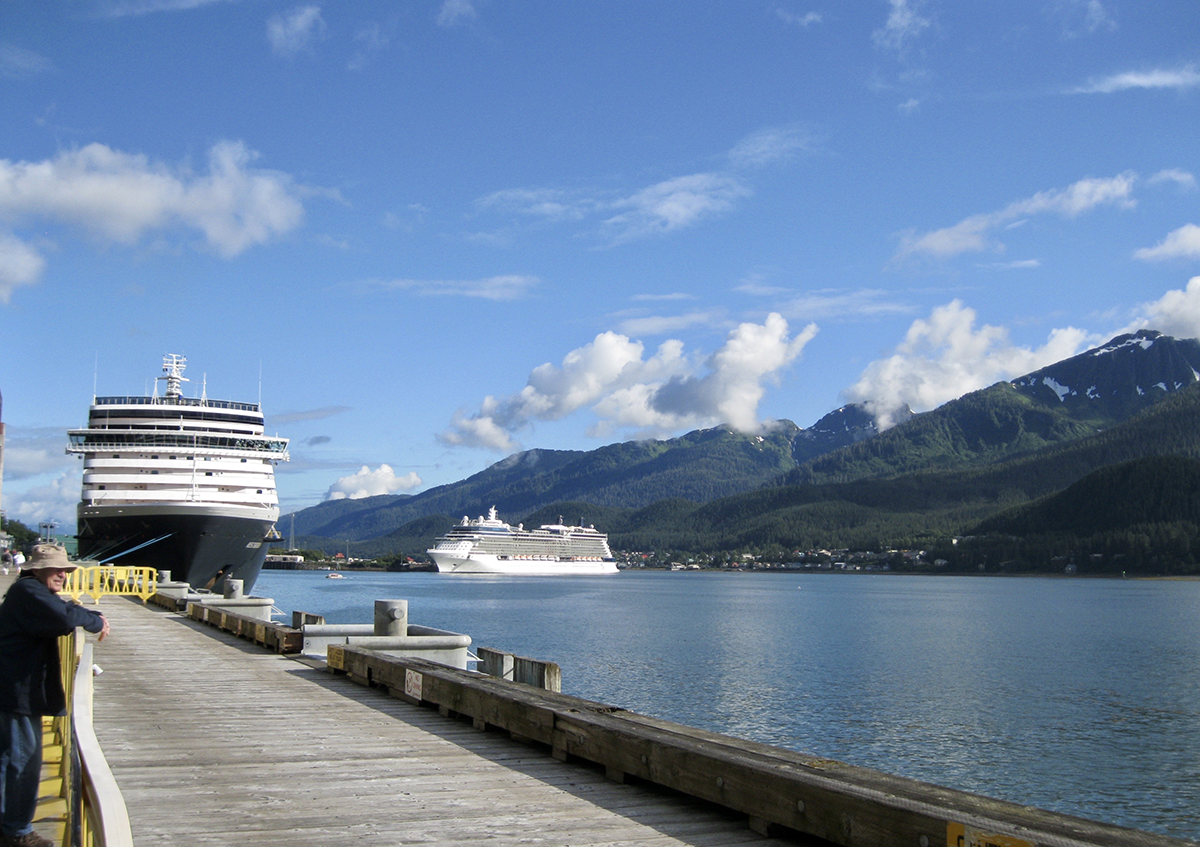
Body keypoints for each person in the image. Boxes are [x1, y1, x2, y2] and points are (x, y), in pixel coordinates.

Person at [0, 544, 108, 847]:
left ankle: (9, 825)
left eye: (66, 570)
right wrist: (96, 621)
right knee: (24, 759)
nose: (63, 574)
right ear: (37, 569)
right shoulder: (29, 592)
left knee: (10, 756)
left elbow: (61, 611)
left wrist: (88, 613)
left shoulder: (31, 592)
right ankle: (16, 832)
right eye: (57, 569)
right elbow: (61, 618)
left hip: (14, 686)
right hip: (13, 689)